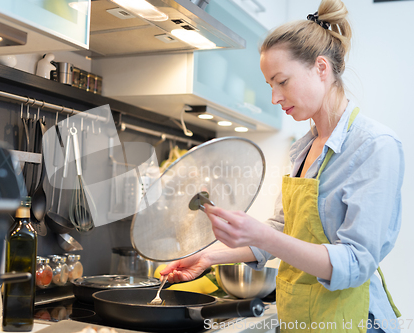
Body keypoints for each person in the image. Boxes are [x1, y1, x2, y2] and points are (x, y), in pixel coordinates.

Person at [160, 0, 404, 332]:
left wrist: (262, 236)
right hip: (301, 319)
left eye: (282, 81)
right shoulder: (304, 148)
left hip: (354, 322)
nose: (275, 97)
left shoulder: (375, 146)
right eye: (269, 86)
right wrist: (209, 257)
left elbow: (355, 262)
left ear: (321, 68)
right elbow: (280, 229)